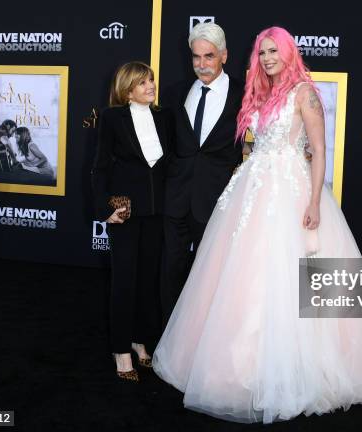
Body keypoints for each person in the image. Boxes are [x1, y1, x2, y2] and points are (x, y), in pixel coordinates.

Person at [152, 27, 362, 422]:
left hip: (291, 191)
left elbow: (320, 150)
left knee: (288, 273)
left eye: (274, 51)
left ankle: (296, 371)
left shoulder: (305, 93)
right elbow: (250, 144)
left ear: (289, 52)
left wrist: (313, 200)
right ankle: (233, 365)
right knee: (242, 277)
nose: (268, 58)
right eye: (262, 52)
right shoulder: (259, 93)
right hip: (253, 187)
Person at [91, 61, 171, 382]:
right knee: (124, 281)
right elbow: (100, 167)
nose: (150, 86)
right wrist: (104, 208)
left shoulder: (164, 117)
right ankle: (121, 348)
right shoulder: (112, 118)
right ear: (127, 90)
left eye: (151, 80)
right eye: (142, 83)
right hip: (124, 210)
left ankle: (140, 339)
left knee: (147, 281)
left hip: (157, 211)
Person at [160, 22, 244, 323]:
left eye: (209, 56)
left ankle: (203, 337)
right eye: (196, 57)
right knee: (171, 270)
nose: (201, 64)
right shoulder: (174, 93)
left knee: (211, 276)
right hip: (176, 196)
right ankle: (168, 337)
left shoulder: (244, 95)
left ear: (224, 55)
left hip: (217, 199)